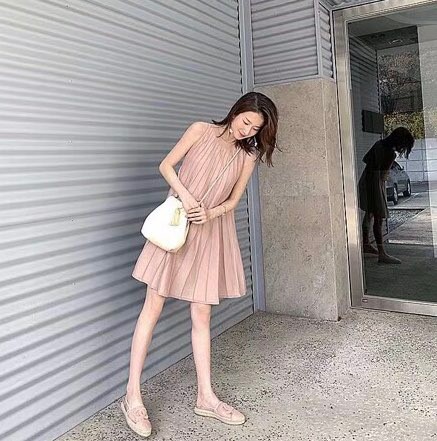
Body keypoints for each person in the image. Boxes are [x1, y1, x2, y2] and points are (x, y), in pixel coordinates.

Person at [120, 92, 279, 437]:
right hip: (177, 225)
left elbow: (233, 201)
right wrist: (187, 196)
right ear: (236, 112)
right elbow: (166, 166)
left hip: (210, 232)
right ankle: (132, 395)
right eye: (246, 122)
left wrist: (210, 212)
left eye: (255, 129)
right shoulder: (200, 130)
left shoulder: (247, 156)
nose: (247, 131)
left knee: (202, 314)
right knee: (153, 306)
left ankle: (205, 397)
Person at [358, 127, 414, 264]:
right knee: (379, 217)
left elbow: (366, 160)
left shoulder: (378, 144)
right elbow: (384, 175)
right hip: (376, 183)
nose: (403, 149)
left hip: (366, 180)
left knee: (369, 213)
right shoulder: (390, 153)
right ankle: (382, 254)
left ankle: (366, 243)